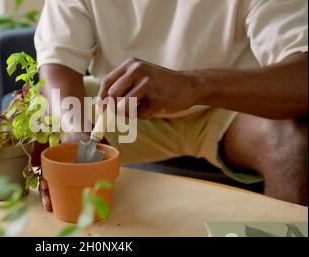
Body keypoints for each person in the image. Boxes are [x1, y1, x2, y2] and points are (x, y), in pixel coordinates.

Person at [34, 0, 308, 208]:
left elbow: (301, 75)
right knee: (30, 124)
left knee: (296, 141)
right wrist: (77, 132)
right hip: (121, 108)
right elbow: (59, 61)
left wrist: (195, 85)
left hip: (225, 106)